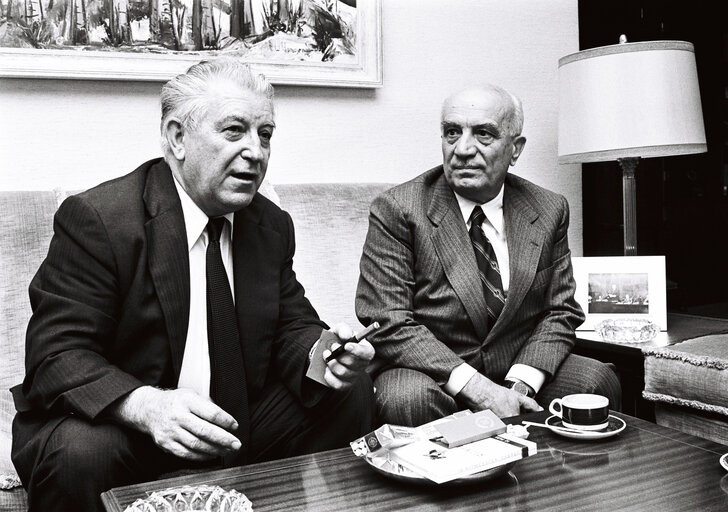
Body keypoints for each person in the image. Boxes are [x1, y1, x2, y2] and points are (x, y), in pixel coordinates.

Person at [11, 58, 375, 512]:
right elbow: (57, 354)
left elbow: (290, 326)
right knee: (80, 452)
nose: (256, 151)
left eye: (265, 134)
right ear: (177, 137)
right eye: (234, 131)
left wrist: (326, 355)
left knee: (348, 392)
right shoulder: (101, 219)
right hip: (131, 427)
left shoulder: (269, 224)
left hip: (230, 423)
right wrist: (145, 406)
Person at [356, 84, 620, 427]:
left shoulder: (549, 209)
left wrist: (518, 387)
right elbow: (387, 320)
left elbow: (561, 311)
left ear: (515, 149)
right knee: (407, 400)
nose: (463, 149)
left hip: (516, 364)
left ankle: (553, 482)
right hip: (430, 372)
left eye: (483, 134)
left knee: (595, 381)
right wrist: (479, 389)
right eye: (452, 132)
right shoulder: (399, 210)